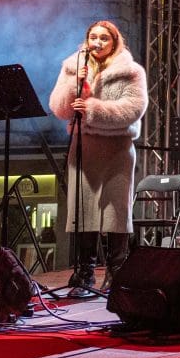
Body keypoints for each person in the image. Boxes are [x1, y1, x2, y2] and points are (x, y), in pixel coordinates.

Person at [49, 20, 148, 296]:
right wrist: (75, 85)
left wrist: (92, 110)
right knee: (84, 212)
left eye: (104, 38)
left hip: (117, 149)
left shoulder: (131, 71)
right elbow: (58, 107)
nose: (98, 42)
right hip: (84, 148)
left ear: (114, 42)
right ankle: (85, 274)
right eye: (93, 37)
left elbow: (133, 108)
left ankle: (117, 273)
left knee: (116, 212)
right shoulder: (72, 67)